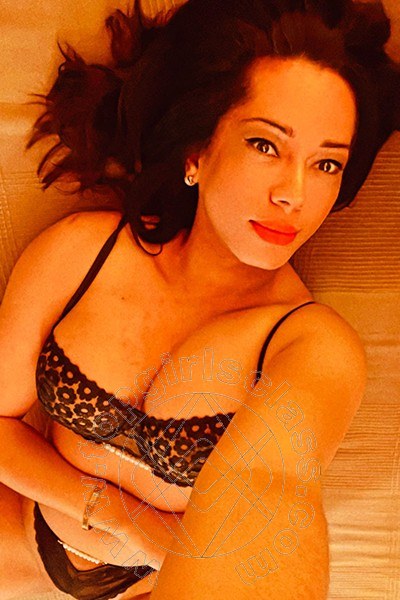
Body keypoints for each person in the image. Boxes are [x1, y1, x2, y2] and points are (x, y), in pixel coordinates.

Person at [0, 0, 399, 598]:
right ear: (197, 149)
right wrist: (117, 516)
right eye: (266, 145)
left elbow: (275, 490)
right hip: (19, 533)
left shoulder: (312, 345)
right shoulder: (82, 252)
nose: (294, 194)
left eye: (326, 164)